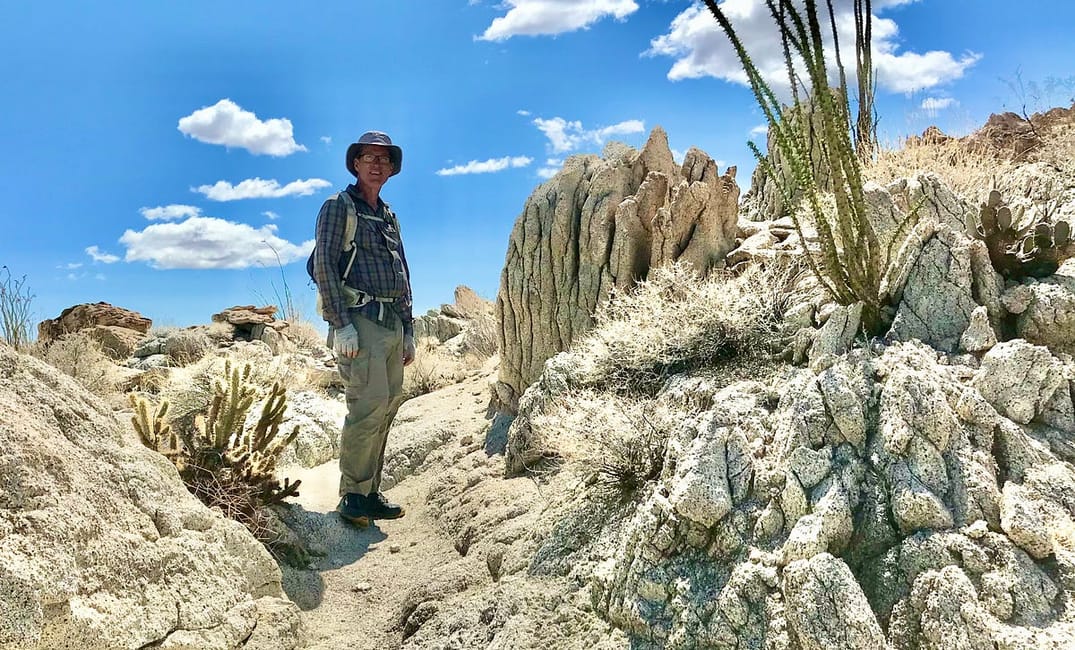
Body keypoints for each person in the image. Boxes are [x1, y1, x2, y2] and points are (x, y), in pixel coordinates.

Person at [311, 130, 416, 527]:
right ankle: (352, 494)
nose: (376, 165)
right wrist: (342, 325)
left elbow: (402, 272)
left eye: (383, 159)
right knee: (366, 408)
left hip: (391, 323)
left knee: (386, 409)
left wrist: (409, 328)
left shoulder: (388, 216)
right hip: (361, 322)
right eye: (368, 158)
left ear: (391, 168)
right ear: (355, 163)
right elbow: (324, 265)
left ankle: (370, 492)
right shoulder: (339, 206)